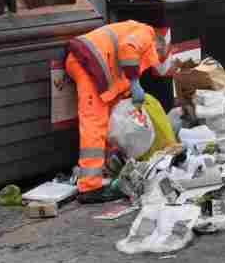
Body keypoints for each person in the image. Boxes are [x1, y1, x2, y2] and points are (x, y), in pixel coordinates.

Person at [65, 20, 170, 204]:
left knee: (105, 120)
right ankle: (90, 187)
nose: (152, 62)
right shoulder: (146, 33)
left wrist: (130, 88)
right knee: (94, 123)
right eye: (156, 56)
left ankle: (103, 169)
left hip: (92, 64)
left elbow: (120, 62)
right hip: (88, 64)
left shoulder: (134, 30)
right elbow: (128, 49)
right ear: (158, 46)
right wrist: (135, 82)